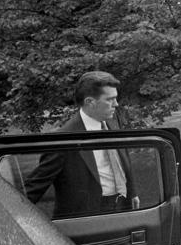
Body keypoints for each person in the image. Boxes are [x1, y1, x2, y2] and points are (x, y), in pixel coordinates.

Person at [24, 71, 139, 217]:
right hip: (85, 218)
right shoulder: (62, 139)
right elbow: (34, 187)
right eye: (110, 99)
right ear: (90, 102)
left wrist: (132, 192)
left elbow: (123, 155)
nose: (116, 104)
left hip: (122, 207)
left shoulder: (113, 118)